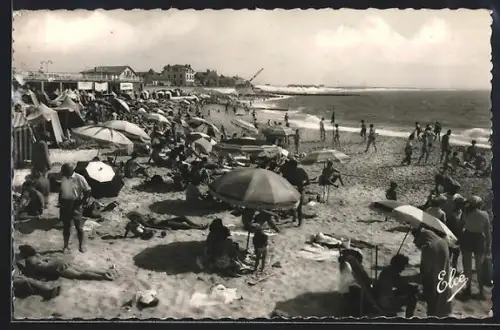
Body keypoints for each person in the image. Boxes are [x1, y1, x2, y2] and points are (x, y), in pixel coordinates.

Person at [17, 245, 118, 281]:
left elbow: (35, 271)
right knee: (84, 269)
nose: (20, 254)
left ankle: (103, 276)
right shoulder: (37, 254)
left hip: (56, 266)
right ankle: (106, 271)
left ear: (25, 253)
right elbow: (44, 260)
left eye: (21, 252)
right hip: (59, 260)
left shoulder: (29, 260)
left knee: (80, 275)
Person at [411, 226, 452, 317]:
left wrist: (420, 282)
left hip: (435, 275)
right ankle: (441, 311)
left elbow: (425, 269)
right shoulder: (434, 237)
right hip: (443, 266)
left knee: (433, 291)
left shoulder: (428, 246)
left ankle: (433, 314)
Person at [460, 196, 491, 299]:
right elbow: (487, 232)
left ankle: (468, 288)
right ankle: (480, 290)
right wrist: (488, 245)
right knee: (479, 266)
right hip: (479, 239)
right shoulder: (484, 214)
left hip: (468, 237)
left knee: (467, 266)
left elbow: (461, 226)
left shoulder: (466, 213)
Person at [59, 163, 92, 253]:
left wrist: (82, 202)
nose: (62, 173)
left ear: (70, 171)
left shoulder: (79, 178)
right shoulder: (64, 178)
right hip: (65, 205)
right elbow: (61, 190)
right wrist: (60, 201)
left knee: (79, 227)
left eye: (64, 171)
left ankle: (81, 246)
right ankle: (66, 246)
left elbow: (88, 190)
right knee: (66, 226)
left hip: (76, 205)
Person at [126, 211, 207, 231]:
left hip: (164, 221)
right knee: (184, 226)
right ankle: (199, 228)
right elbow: (151, 226)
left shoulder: (143, 218)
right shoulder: (142, 222)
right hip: (164, 223)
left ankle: (198, 225)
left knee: (183, 218)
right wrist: (163, 228)